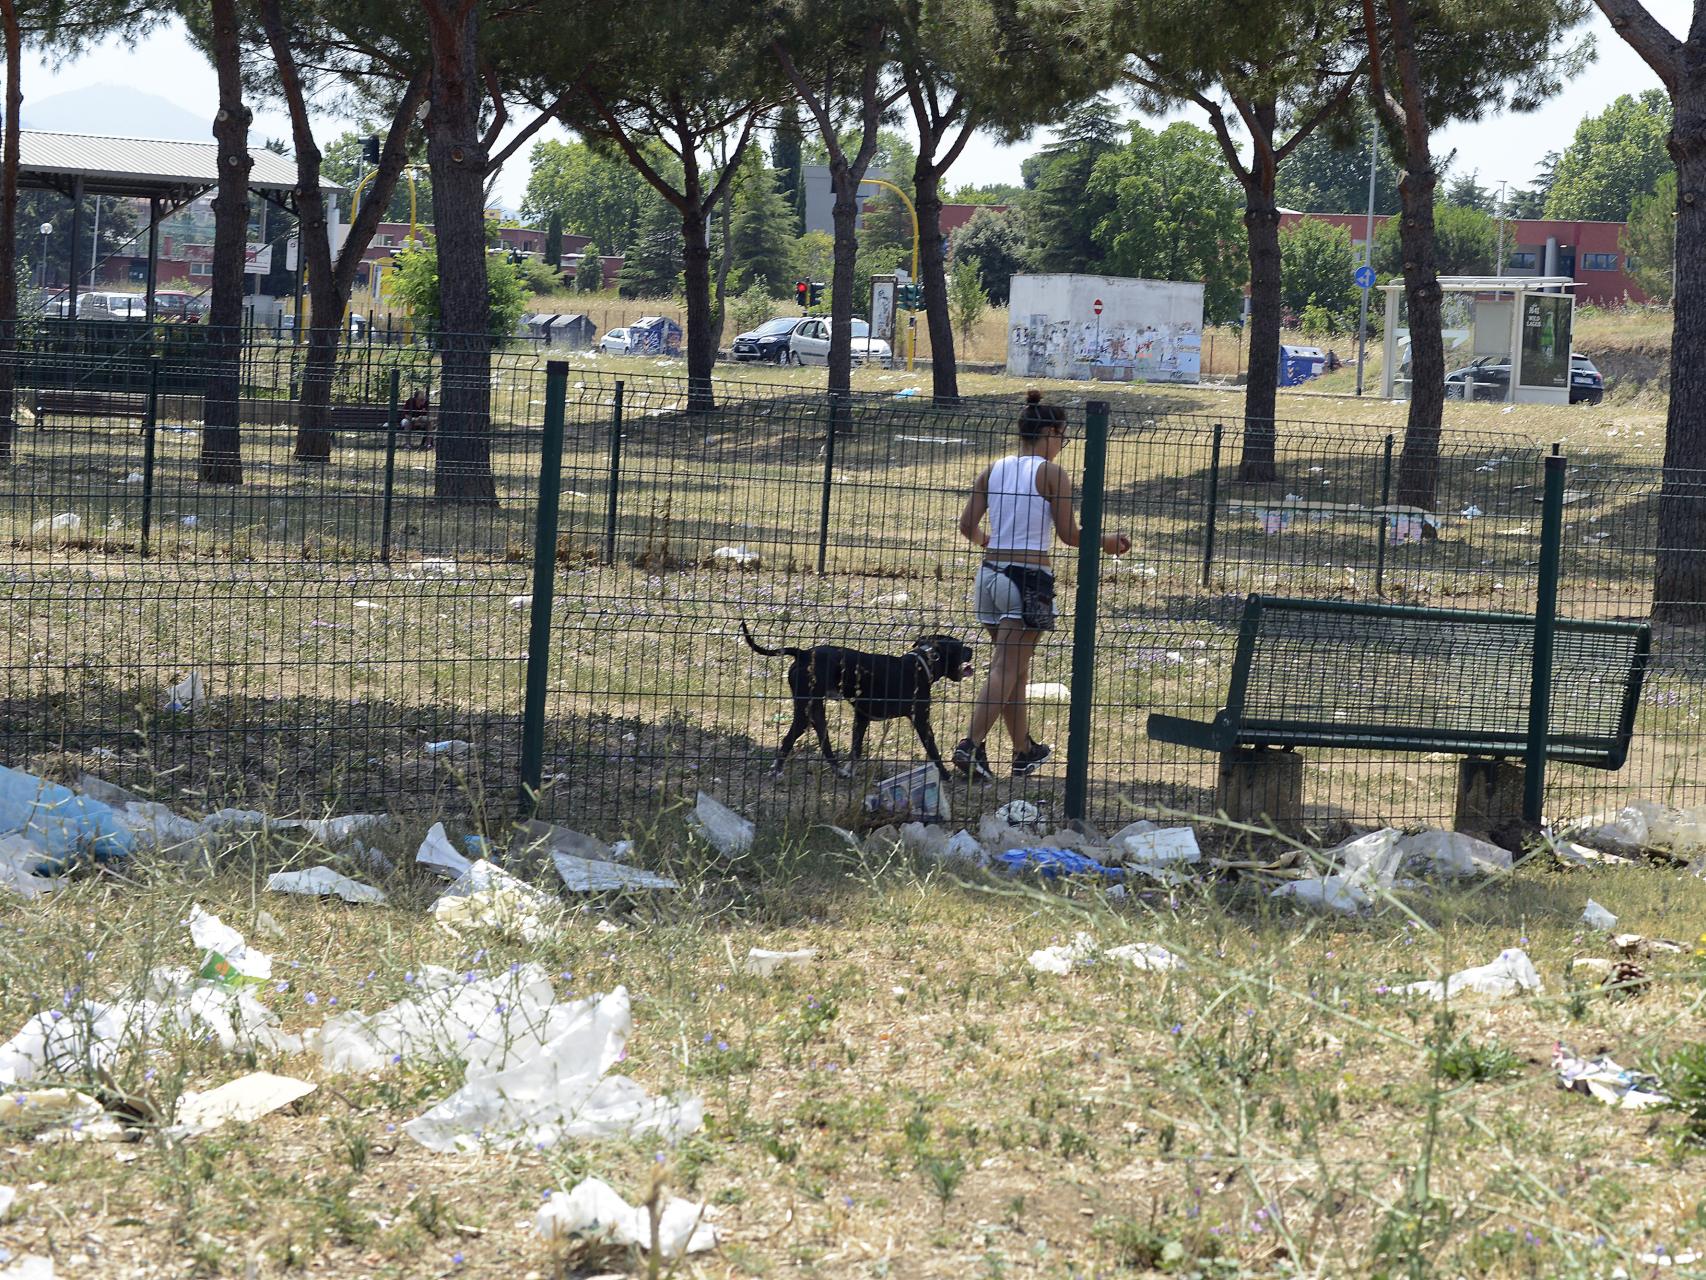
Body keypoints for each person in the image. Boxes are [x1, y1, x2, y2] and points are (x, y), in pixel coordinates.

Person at [953, 389, 1131, 780]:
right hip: (1027, 580)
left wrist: (992, 546)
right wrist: (1108, 543)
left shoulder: (992, 469)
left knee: (1015, 671)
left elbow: (967, 526)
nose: (1062, 446)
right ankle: (971, 745)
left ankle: (1023, 750)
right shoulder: (1052, 474)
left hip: (988, 578)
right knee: (1005, 667)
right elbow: (1069, 535)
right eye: (1063, 438)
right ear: (1050, 431)